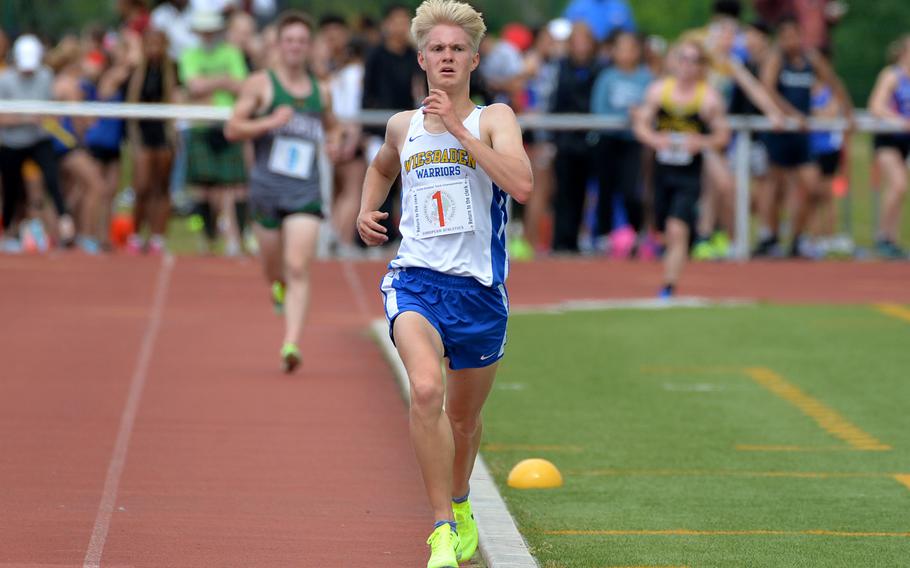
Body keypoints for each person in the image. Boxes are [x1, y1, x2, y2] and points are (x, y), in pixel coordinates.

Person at [356, 1, 532, 565]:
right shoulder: (402, 126)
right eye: (438, 49)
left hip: (480, 292)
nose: (448, 57)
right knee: (426, 391)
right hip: (416, 281)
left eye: (458, 49)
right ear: (422, 59)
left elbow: (521, 185)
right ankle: (439, 526)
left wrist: (459, 129)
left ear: (475, 59)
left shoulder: (495, 119)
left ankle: (460, 503)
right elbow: (383, 165)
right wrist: (366, 210)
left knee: (464, 419)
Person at [225, 10, 341, 373]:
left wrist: (334, 143)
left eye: (301, 42)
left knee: (297, 265)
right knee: (274, 266)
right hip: (266, 191)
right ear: (278, 44)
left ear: (309, 48)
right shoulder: (261, 84)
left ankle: (291, 342)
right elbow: (232, 128)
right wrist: (269, 122)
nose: (295, 47)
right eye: (289, 40)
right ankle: (276, 286)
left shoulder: (320, 90)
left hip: (304, 192)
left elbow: (333, 127)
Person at [633, 40, 730, 298]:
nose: (687, 66)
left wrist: (701, 142)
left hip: (689, 174)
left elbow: (723, 135)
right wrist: (654, 139)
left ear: (701, 67)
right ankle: (673, 260)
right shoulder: (659, 92)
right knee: (664, 230)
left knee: (678, 227)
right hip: (661, 171)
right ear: (675, 62)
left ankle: (668, 285)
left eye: (694, 60)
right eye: (683, 59)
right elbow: (641, 124)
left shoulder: (707, 98)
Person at [757, 17, 852, 257]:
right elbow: (767, 89)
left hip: (802, 135)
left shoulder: (811, 60)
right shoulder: (777, 60)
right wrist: (791, 114)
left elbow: (833, 82)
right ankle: (770, 237)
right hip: (780, 133)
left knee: (812, 187)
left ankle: (797, 239)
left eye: (794, 36)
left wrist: (847, 111)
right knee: (775, 187)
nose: (790, 42)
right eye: (785, 37)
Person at [179, 9, 248, 255]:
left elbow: (241, 85)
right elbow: (193, 85)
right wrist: (223, 80)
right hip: (201, 124)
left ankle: (236, 237)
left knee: (236, 185)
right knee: (203, 188)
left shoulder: (231, 52)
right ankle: (207, 238)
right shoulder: (190, 54)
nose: (208, 36)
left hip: (229, 123)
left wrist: (208, 84)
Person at [0, 35, 75, 253]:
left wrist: (52, 114)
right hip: (12, 143)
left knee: (52, 179)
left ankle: (65, 222)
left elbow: (52, 110)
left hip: (39, 139)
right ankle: (7, 230)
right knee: (12, 187)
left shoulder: (45, 76)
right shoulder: (5, 80)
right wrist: (26, 118)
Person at [590, 30, 652, 255]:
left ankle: (638, 232)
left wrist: (640, 116)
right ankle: (603, 235)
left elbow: (651, 107)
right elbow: (598, 108)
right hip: (608, 140)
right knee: (605, 188)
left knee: (631, 189)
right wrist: (627, 116)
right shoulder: (607, 77)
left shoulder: (646, 78)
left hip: (633, 141)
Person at [550, 21, 601, 253]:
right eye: (576, 41)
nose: (580, 46)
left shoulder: (599, 68)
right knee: (563, 193)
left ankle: (584, 239)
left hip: (591, 140)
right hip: (565, 140)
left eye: (585, 41)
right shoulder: (561, 67)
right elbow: (555, 102)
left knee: (585, 193)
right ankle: (561, 241)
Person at [126, 28, 178, 254]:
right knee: (142, 186)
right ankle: (136, 233)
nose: (154, 49)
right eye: (150, 44)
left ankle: (158, 236)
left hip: (163, 134)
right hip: (143, 134)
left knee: (161, 187)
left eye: (158, 44)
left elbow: (176, 97)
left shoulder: (172, 70)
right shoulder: (137, 71)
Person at [867, 35, 910, 259]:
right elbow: (876, 105)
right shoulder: (892, 75)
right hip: (888, 138)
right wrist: (900, 121)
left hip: (906, 141)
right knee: (898, 184)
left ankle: (892, 239)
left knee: (898, 189)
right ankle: (883, 236)